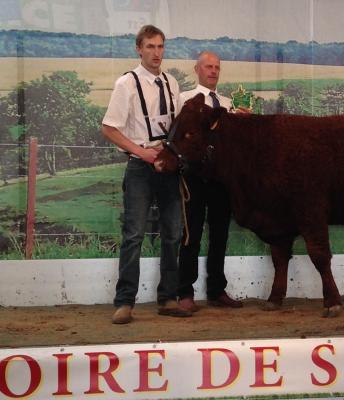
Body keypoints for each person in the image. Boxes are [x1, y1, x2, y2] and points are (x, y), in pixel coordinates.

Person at [102, 25, 191, 324]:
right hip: (140, 166)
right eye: (151, 47)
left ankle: (167, 297)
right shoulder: (126, 83)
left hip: (168, 166)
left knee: (173, 234)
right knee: (134, 235)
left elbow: (177, 126)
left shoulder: (171, 83)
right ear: (138, 49)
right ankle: (125, 302)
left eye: (161, 47)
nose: (157, 53)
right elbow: (109, 128)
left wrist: (173, 155)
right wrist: (142, 153)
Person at [177, 51, 247, 312]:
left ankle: (217, 290)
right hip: (194, 176)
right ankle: (185, 292)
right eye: (208, 66)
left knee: (220, 235)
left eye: (217, 67)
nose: (213, 71)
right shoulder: (184, 100)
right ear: (197, 69)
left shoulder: (228, 105)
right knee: (191, 234)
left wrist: (244, 123)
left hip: (221, 180)